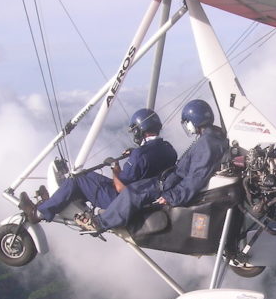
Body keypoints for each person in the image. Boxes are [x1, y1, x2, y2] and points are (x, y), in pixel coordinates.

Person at [75, 99, 228, 233]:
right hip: (171, 180)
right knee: (137, 189)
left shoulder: (206, 144)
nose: (188, 127)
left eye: (187, 123)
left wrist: (171, 196)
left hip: (171, 184)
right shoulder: (212, 138)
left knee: (132, 192)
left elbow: (196, 178)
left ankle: (99, 223)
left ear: (193, 121)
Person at [19, 108, 177, 224]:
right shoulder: (169, 149)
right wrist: (136, 152)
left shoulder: (139, 156)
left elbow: (121, 188)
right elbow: (150, 162)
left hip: (123, 201)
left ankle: (38, 213)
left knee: (78, 179)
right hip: (147, 194)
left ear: (139, 130)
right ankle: (55, 200)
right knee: (89, 178)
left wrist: (115, 167)